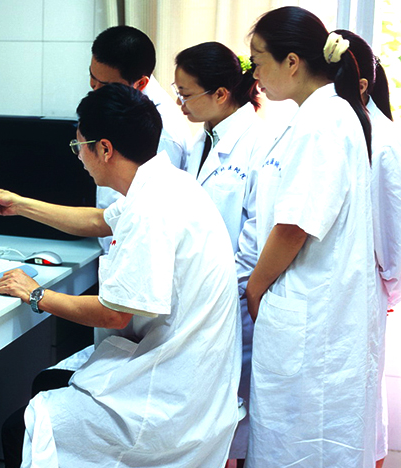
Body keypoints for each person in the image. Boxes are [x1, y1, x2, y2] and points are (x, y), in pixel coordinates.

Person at [0, 83, 241, 468]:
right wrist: (20, 205)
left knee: (19, 429)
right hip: (188, 377)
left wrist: (37, 294)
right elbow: (99, 220)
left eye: (79, 146)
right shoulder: (167, 183)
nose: (79, 156)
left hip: (164, 401)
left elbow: (114, 314)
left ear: (104, 149)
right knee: (46, 384)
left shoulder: (149, 209)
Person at [245, 6, 379, 468]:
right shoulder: (323, 115)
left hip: (312, 313)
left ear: (292, 62)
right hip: (313, 309)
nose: (254, 74)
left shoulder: (322, 122)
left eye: (258, 61)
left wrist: (255, 287)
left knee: (303, 444)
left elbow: (294, 226)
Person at [173, 41, 272, 466]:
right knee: (208, 418)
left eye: (185, 94)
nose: (180, 104)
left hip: (234, 300)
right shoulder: (201, 139)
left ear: (220, 93)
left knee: (235, 417)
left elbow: (256, 238)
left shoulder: (260, 143)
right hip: (203, 294)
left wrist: (219, 289)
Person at [335, 28, 401, 468]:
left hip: (363, 288)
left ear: (360, 85)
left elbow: (394, 228)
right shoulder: (331, 129)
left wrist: (390, 289)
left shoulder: (384, 139)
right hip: (339, 287)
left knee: (360, 398)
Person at [90, 25, 190, 252]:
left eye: (104, 85)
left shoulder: (163, 132)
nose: (95, 88)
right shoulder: (122, 105)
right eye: (92, 77)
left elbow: (152, 215)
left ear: (141, 83)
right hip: (114, 239)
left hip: (137, 249)